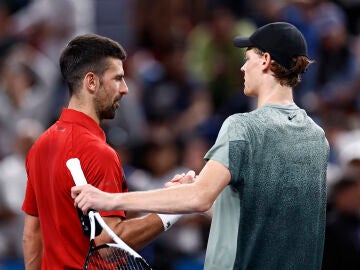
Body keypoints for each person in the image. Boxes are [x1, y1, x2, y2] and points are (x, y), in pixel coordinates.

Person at [72, 22, 330, 270]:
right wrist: (192, 190)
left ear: (265, 61)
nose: (242, 68)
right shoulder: (318, 137)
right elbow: (259, 214)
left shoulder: (243, 127)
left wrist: (108, 199)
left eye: (248, 58)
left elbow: (199, 199)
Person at [22, 34, 182, 270]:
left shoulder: (40, 146)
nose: (125, 89)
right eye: (117, 79)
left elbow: (31, 236)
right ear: (91, 82)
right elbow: (108, 245)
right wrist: (174, 210)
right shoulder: (100, 153)